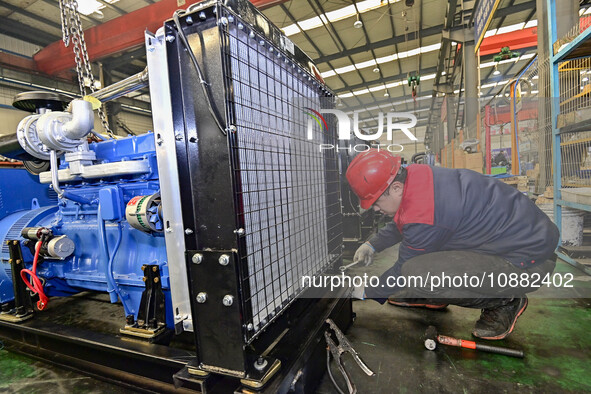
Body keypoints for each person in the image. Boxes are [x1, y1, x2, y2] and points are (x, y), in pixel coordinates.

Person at [346, 149, 559, 340]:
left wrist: (368, 290)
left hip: (528, 263)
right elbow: (406, 218)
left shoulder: (425, 209)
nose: (374, 209)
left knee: (414, 272)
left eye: (375, 202)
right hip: (519, 242)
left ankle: (505, 301)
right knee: (423, 263)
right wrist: (372, 244)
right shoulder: (415, 175)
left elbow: (405, 263)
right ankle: (430, 295)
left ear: (396, 188)